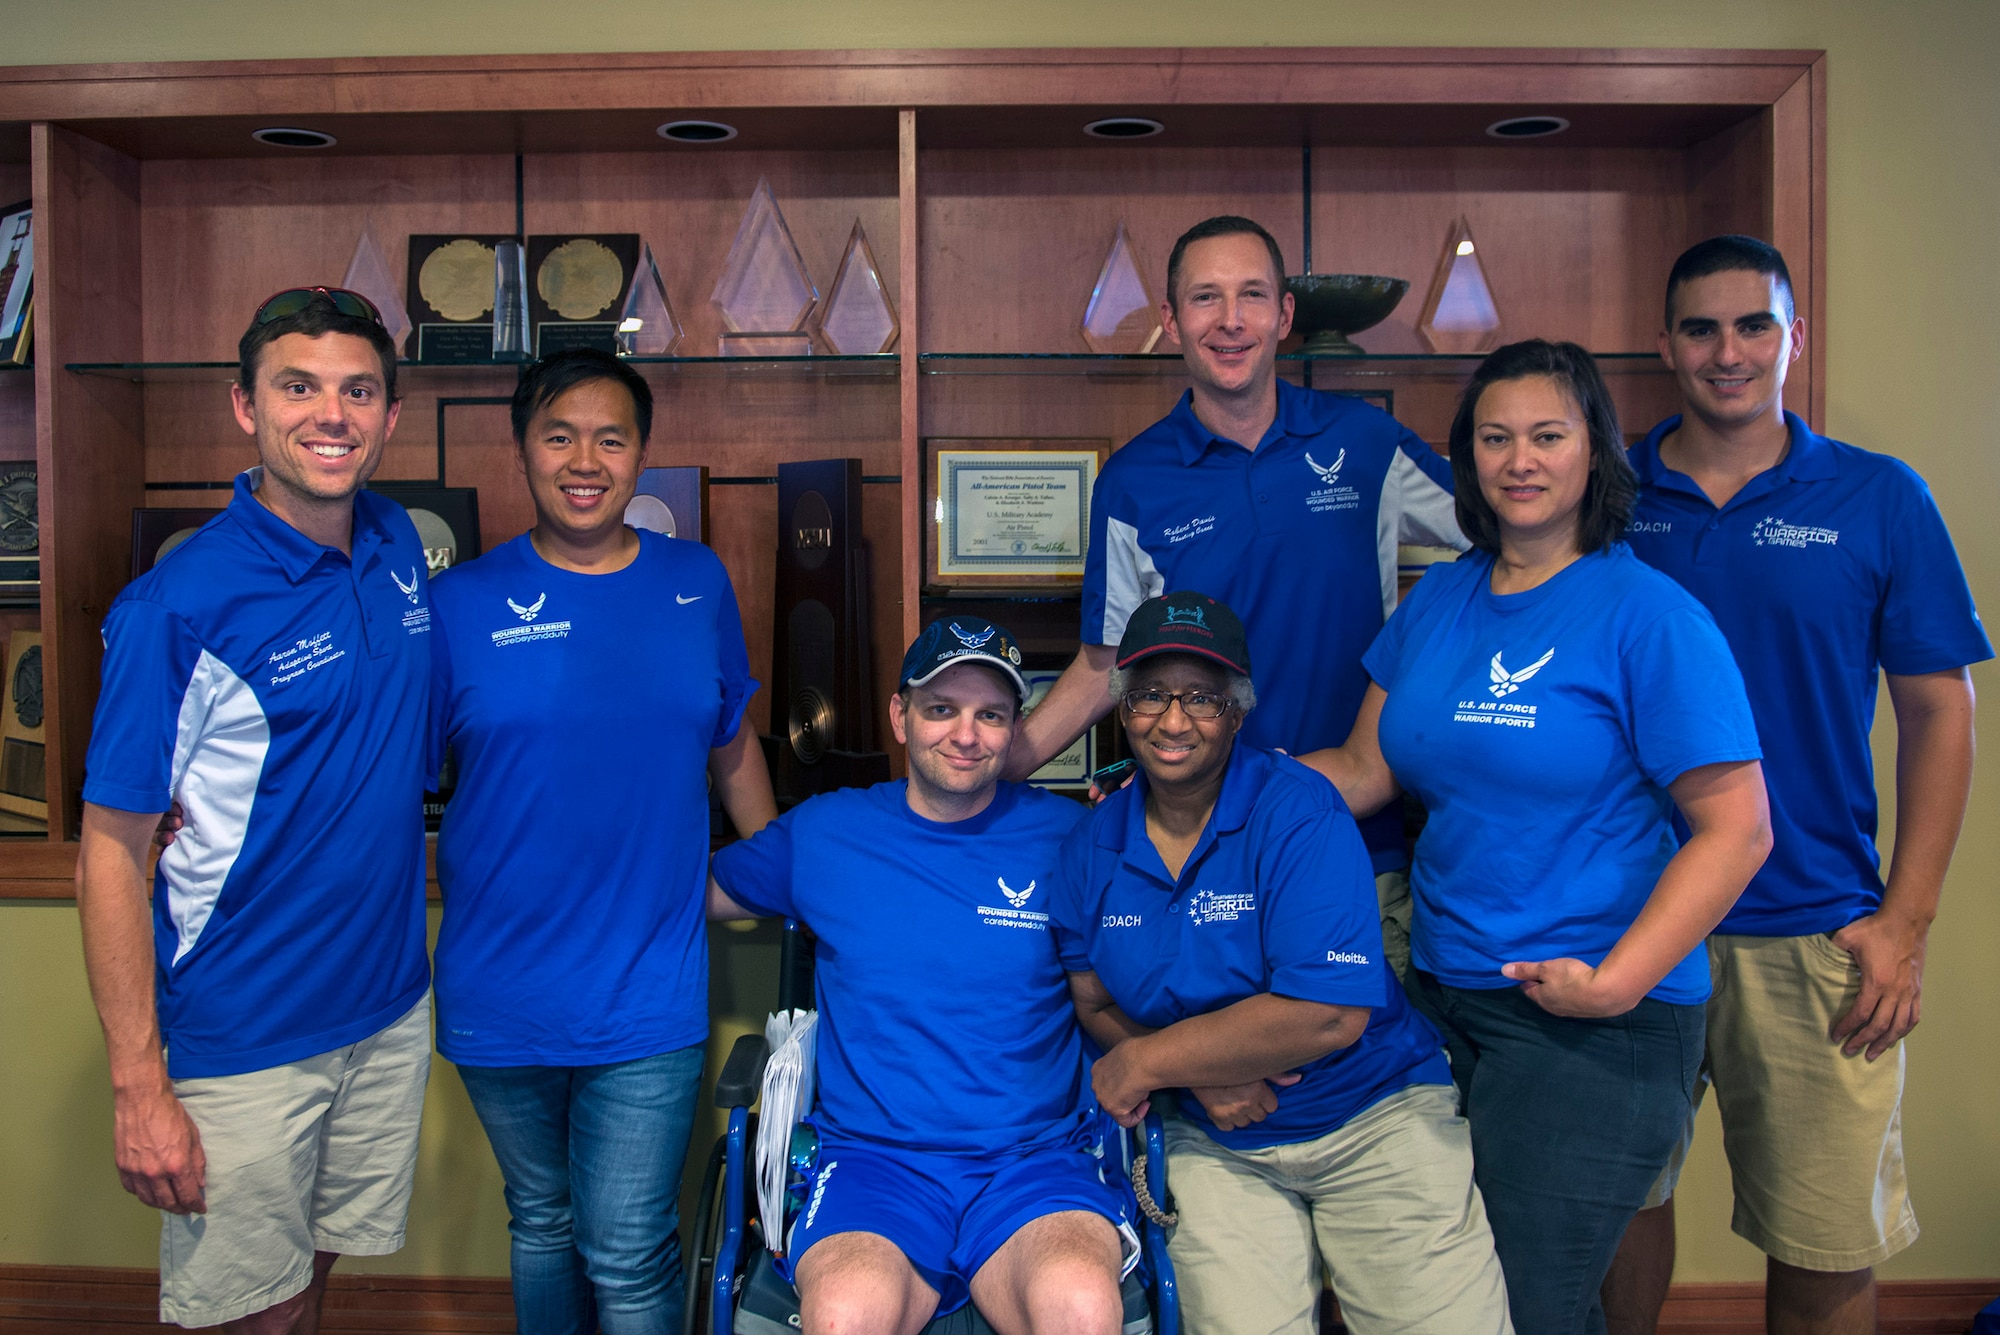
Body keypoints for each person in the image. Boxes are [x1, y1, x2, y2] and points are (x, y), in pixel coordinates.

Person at [1298, 339, 1774, 1335]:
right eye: (1495, 437)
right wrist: (1196, 785)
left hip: (1589, 1025)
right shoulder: (1439, 600)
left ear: (1592, 450)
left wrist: (1613, 982)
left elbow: (1735, 833)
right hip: (1442, 1003)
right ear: (1466, 457)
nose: (1520, 460)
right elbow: (1360, 770)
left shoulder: (1647, 615)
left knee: (1521, 1310)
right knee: (1437, 1298)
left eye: (1547, 436)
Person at [1601, 237, 1991, 1335]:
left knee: (1825, 1237)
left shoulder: (1878, 497)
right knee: (1613, 1213)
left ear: (1791, 338)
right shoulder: (1607, 495)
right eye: (1699, 328)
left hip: (1813, 926)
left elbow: (1937, 711)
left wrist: (1901, 922)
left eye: (1751, 326)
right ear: (1665, 344)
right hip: (1630, 920)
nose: (1727, 352)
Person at [75, 288, 434, 1331]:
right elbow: (109, 852)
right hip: (245, 1029)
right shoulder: (177, 606)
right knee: (245, 1313)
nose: (332, 414)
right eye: (299, 387)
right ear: (244, 407)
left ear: (389, 416)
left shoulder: (396, 542)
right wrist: (140, 1085)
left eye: (357, 390)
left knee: (309, 1283)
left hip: (383, 1006)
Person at [1007, 214, 1465, 976]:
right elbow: (1105, 662)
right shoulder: (1133, 480)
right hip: (1197, 857)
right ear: (1171, 320)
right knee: (1209, 1073)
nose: (1229, 320)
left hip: (1357, 838)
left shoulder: (1366, 442)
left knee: (1354, 1073)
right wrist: (997, 760)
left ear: (1285, 315)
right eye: (1204, 298)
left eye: (1251, 295)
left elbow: (1506, 535)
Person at [1047, 591, 1513, 1335]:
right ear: (1121, 707)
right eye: (1151, 696)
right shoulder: (1087, 848)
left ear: (1238, 710)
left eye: (1202, 697)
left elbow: (1327, 1010)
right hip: (1219, 1138)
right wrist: (1198, 1071)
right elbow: (1096, 1002)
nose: (1173, 720)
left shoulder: (1298, 809)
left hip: (1373, 1116)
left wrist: (1146, 1064)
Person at [428, 349, 778, 1335]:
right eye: (558, 434)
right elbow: (384, 773)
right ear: (523, 450)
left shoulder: (693, 581)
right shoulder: (459, 606)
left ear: (640, 456)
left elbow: (732, 741)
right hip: (500, 988)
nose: (585, 459)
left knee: (626, 1247)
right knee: (541, 1223)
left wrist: (789, 873)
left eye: (611, 437)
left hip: (645, 984)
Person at [707, 617, 1133, 1335]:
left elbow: (1161, 943)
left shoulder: (1069, 837)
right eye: (942, 709)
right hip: (874, 1164)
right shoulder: (824, 834)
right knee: (843, 1314)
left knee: (1085, 1309)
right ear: (900, 716)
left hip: (1033, 1164)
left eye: (990, 714)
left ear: (1013, 725)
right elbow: (681, 897)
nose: (966, 735)